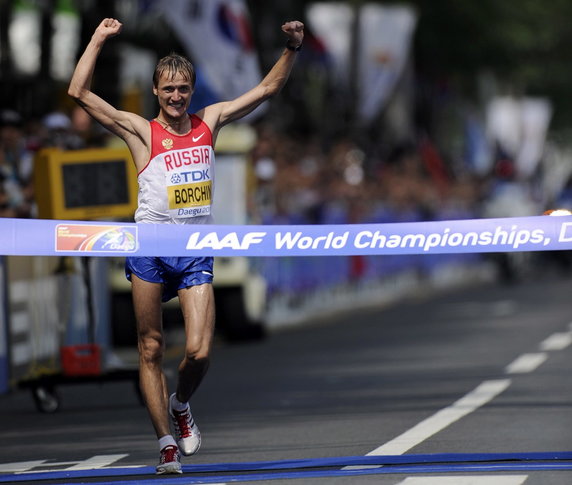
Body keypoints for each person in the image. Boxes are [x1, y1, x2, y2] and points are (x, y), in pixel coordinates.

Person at [68, 17, 304, 474]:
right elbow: (78, 92)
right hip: (150, 248)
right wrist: (97, 38)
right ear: (155, 91)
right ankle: (165, 446)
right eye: (168, 90)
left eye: (183, 89)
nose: (176, 97)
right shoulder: (139, 131)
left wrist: (292, 48)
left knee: (199, 351)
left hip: (195, 247)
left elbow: (266, 90)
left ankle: (181, 404)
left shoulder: (209, 121)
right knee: (151, 347)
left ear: (191, 90)